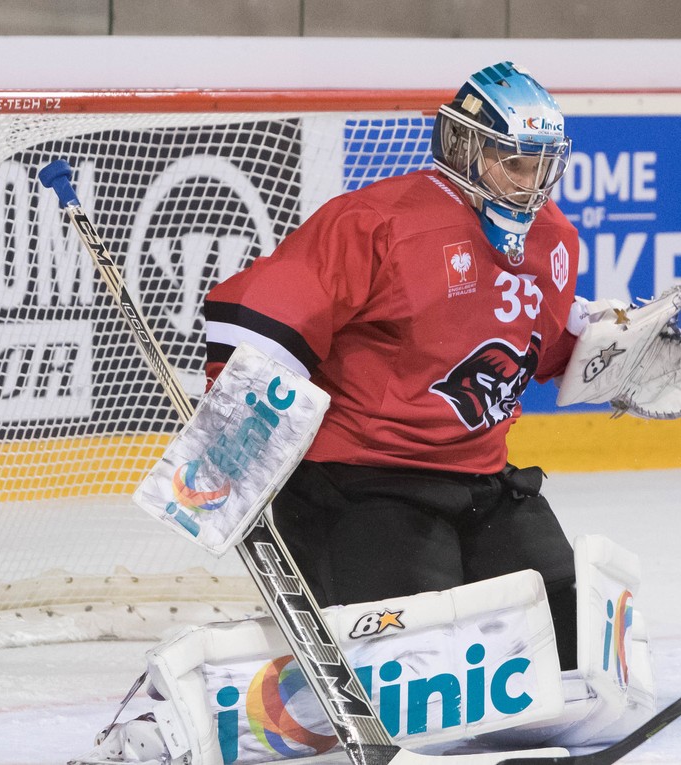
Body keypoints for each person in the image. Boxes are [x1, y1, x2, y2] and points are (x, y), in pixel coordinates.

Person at [201, 60, 583, 667]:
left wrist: (613, 353)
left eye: (542, 166)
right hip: (361, 482)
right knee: (414, 657)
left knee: (563, 636)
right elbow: (263, 315)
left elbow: (540, 344)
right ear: (465, 149)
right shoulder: (379, 223)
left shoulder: (554, 238)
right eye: (514, 163)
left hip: (482, 480)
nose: (530, 184)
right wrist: (230, 437)